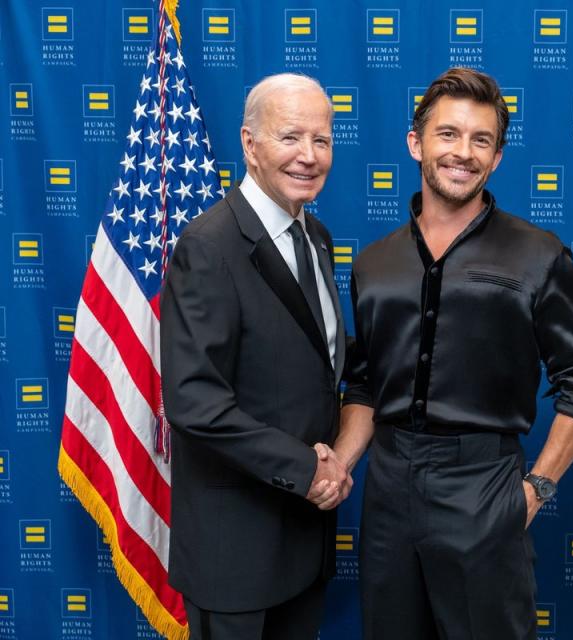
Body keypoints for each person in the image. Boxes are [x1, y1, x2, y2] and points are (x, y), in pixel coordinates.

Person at [329, 67, 573, 640]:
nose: (463, 152)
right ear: (416, 143)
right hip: (387, 489)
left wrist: (537, 489)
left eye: (480, 140)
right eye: (448, 134)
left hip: (484, 482)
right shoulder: (373, 263)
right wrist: (340, 463)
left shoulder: (537, 254)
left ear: (498, 157)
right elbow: (363, 384)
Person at [160, 73, 349, 640]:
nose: (309, 156)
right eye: (291, 137)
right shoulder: (208, 246)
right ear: (249, 144)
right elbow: (195, 402)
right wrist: (306, 469)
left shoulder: (316, 237)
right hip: (236, 551)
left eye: (322, 140)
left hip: (304, 542)